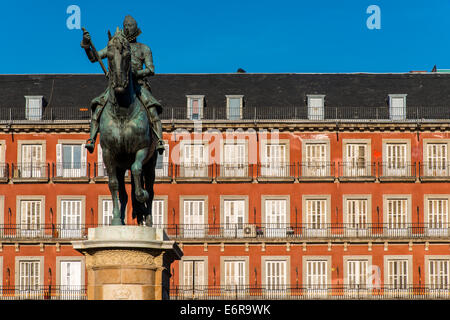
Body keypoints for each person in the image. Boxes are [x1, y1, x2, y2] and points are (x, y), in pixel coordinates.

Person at [81, 15, 165, 154]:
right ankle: (92, 138)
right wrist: (86, 44)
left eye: (130, 25)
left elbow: (151, 69)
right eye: (125, 25)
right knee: (99, 106)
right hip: (116, 84)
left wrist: (135, 73)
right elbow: (93, 57)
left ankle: (159, 140)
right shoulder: (115, 47)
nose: (127, 27)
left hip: (138, 86)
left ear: (136, 28)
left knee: (152, 108)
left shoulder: (143, 48)